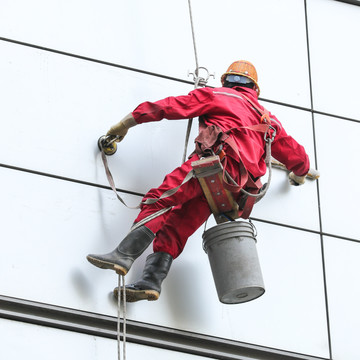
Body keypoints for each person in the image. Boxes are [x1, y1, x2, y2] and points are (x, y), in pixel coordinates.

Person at [87, 60, 309, 302]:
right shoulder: (269, 121)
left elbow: (170, 106)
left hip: (213, 165)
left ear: (226, 81)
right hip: (232, 193)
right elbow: (297, 156)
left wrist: (124, 124)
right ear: (254, 89)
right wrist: (298, 175)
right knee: (176, 227)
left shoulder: (217, 95)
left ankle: (124, 255)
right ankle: (150, 282)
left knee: (159, 199)